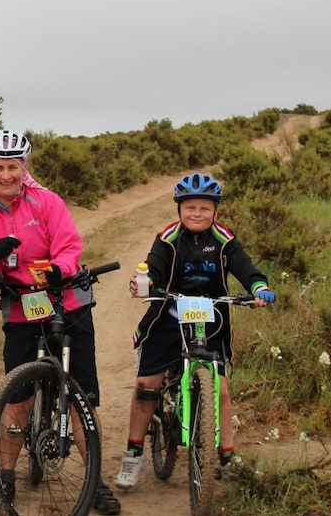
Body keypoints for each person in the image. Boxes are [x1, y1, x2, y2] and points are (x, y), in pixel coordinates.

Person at [0, 129, 122, 516]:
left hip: (66, 302)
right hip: (21, 308)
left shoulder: (47, 201)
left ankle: (96, 481)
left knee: (82, 398)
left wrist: (59, 269)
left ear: (24, 167)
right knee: (15, 400)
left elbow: (69, 245)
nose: (6, 175)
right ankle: (5, 476)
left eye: (13, 167)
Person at [114, 172, 276, 490]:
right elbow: (154, 266)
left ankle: (227, 458)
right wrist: (145, 282)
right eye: (190, 208)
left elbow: (246, 268)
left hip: (210, 318)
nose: (197, 214)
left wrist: (259, 288)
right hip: (169, 315)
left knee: (221, 391)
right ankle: (134, 453)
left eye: (204, 208)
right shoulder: (168, 237)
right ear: (179, 209)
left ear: (215, 210)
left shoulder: (224, 239)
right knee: (146, 386)